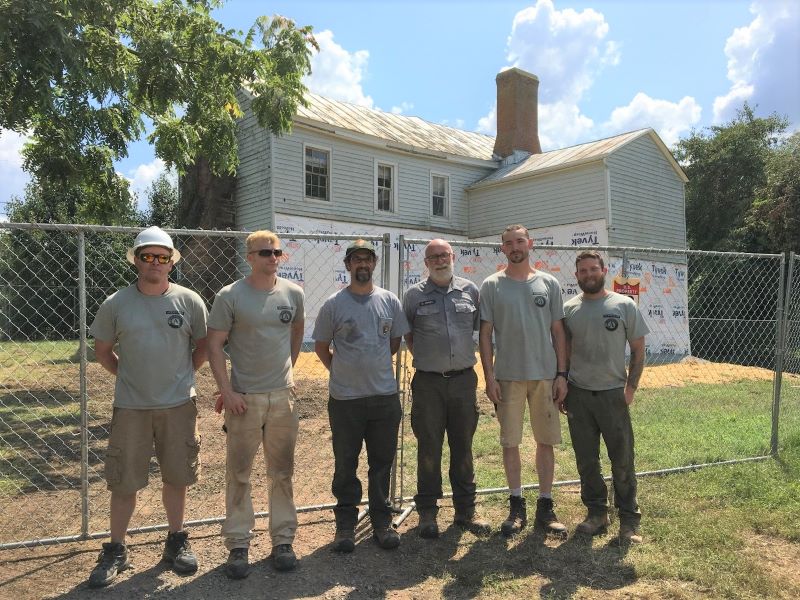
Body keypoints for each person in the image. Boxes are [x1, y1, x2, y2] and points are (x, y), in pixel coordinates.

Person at [87, 226, 208, 588]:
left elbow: (203, 347)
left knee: (177, 476)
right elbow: (104, 352)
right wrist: (131, 378)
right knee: (124, 480)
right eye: (147, 256)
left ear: (171, 263)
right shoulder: (116, 304)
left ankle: (175, 541)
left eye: (162, 257)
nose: (154, 263)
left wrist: (181, 374)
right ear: (136, 261)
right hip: (131, 407)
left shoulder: (190, 301)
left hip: (178, 405)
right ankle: (116, 549)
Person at [207, 230, 305, 578]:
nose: (272, 257)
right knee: (239, 472)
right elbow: (214, 345)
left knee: (282, 472)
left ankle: (283, 540)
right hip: (243, 400)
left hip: (282, 398)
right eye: (264, 252)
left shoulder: (293, 293)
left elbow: (296, 332)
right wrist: (227, 390)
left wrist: (286, 375)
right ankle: (238, 544)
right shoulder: (230, 296)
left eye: (276, 251)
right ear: (249, 256)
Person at [313, 239, 409, 552]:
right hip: (345, 401)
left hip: (383, 397)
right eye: (357, 260)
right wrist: (342, 372)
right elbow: (321, 347)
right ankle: (345, 526)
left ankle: (382, 521)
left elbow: (393, 343)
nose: (363, 265)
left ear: (374, 264)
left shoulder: (389, 301)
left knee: (382, 462)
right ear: (348, 265)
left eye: (368, 259)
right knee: (346, 463)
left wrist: (370, 367)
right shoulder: (333, 305)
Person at [478, 224, 568, 538]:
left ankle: (545, 505)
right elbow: (486, 335)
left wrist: (561, 374)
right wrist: (489, 377)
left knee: (546, 441)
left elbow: (558, 332)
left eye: (520, 240)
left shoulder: (549, 283)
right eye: (508, 242)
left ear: (529, 244)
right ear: (502, 248)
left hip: (545, 376)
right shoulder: (491, 285)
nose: (515, 246)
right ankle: (516, 505)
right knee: (510, 442)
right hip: (508, 376)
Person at [402, 239, 490, 538]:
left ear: (453, 257)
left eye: (444, 255)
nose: (440, 260)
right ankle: (428, 513)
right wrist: (431, 359)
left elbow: (479, 328)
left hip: (464, 381)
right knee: (429, 448)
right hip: (429, 383)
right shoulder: (413, 296)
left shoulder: (470, 291)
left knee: (463, 446)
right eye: (433, 257)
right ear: (425, 263)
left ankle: (466, 512)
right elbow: (410, 336)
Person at [562, 250, 648, 544]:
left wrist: (630, 388)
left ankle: (628, 519)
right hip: (579, 395)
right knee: (587, 460)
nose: (588, 274)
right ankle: (597, 514)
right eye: (582, 271)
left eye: (593, 269)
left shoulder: (624, 305)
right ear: (576, 276)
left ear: (603, 270)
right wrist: (562, 386)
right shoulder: (569, 309)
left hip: (613, 395)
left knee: (622, 459)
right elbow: (562, 353)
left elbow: (638, 350)